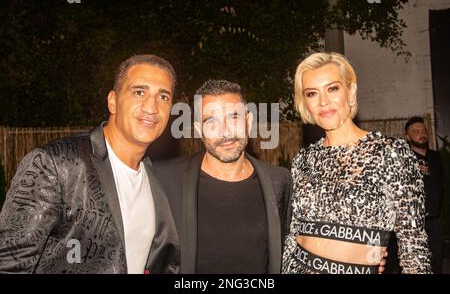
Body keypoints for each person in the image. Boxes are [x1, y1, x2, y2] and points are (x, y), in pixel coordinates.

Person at [0, 54, 179, 274]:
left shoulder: (156, 178)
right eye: (139, 92)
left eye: (163, 97)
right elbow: (9, 264)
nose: (152, 107)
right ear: (112, 101)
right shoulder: (56, 164)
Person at [282, 52, 432, 274]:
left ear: (350, 90)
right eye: (312, 93)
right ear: (306, 102)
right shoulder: (304, 160)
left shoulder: (390, 152)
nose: (323, 101)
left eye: (332, 88)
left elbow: (413, 245)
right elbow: (292, 235)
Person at [152, 79, 292, 274]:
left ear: (248, 121)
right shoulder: (164, 180)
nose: (225, 132)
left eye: (234, 117)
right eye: (211, 121)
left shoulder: (280, 181)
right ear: (199, 130)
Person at [404, 116, 445, 273]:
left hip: (434, 222)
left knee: (436, 265)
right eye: (416, 131)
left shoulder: (435, 157)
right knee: (416, 266)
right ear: (408, 136)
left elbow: (441, 186)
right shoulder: (405, 159)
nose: (421, 134)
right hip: (413, 225)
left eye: (423, 130)